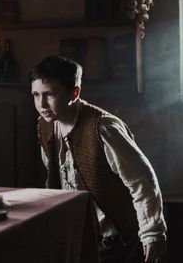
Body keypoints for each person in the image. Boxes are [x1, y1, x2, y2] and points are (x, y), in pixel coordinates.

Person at [30, 55, 167, 263]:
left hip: (120, 238)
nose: (42, 104)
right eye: (36, 94)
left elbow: (143, 181)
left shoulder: (103, 127)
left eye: (50, 94)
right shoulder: (45, 125)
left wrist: (152, 234)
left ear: (74, 92)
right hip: (81, 236)